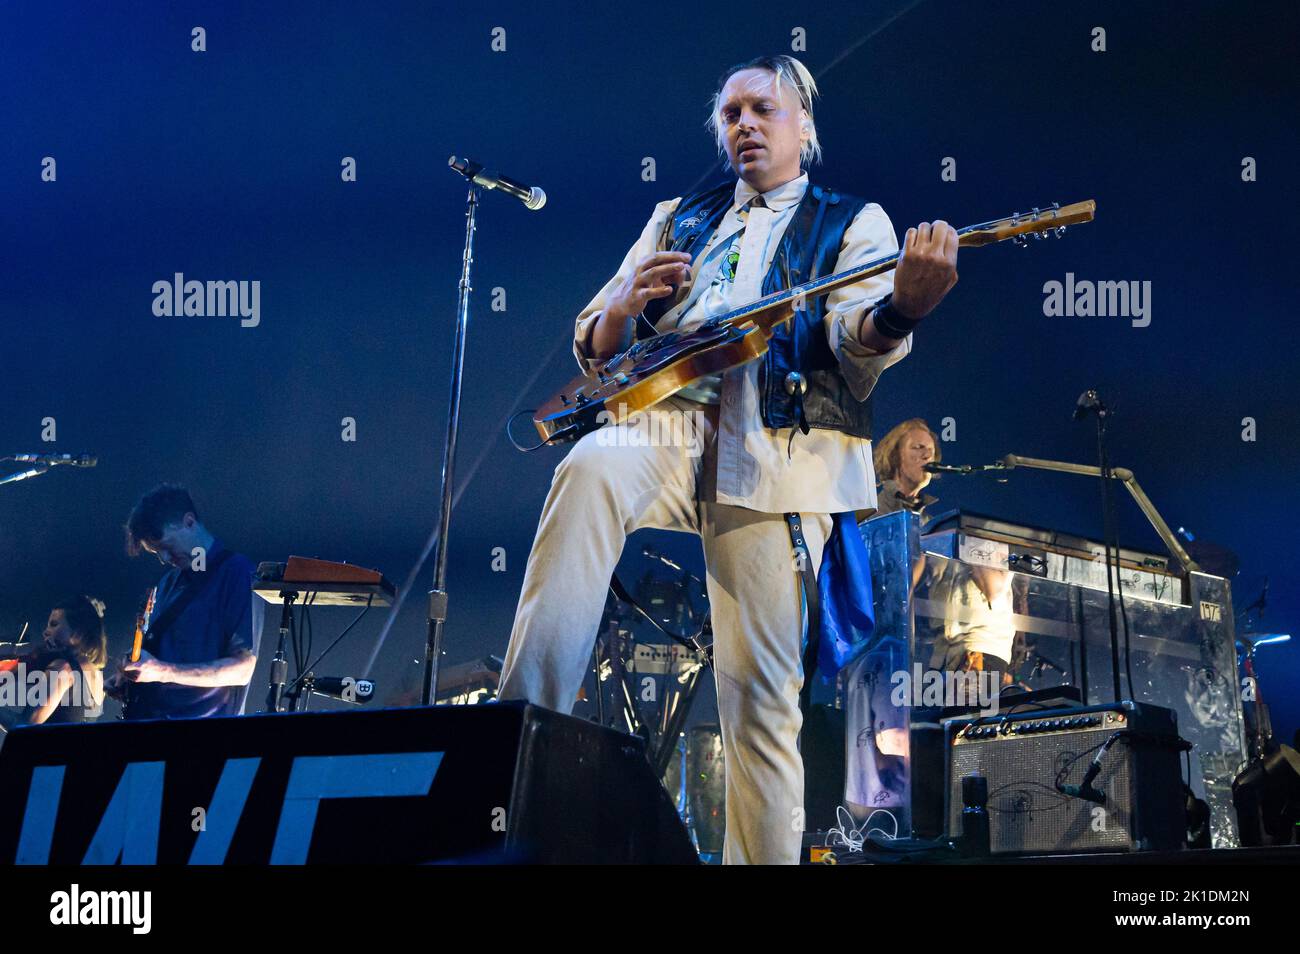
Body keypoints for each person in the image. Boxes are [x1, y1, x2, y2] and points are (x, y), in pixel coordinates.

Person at [497, 55, 959, 863]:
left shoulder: (855, 223)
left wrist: (901, 310)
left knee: (759, 708)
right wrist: (623, 304)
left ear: (804, 126)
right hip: (669, 426)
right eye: (732, 113)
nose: (744, 123)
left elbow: (859, 346)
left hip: (780, 450)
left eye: (763, 110)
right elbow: (596, 336)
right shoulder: (678, 214)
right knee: (590, 468)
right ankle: (522, 738)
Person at [112, 484, 260, 719]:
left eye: (167, 547)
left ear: (189, 522)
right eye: (156, 552)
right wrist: (131, 674)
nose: (163, 558)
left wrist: (162, 671)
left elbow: (242, 670)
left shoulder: (236, 572)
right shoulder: (168, 582)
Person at [0, 596, 107, 727]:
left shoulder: (63, 669)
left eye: (54, 624)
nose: (46, 632)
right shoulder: (97, 676)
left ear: (77, 633)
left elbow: (25, 727)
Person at [868, 417, 940, 519]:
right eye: (918, 447)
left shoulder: (931, 527)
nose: (927, 456)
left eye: (931, 450)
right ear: (895, 455)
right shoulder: (869, 515)